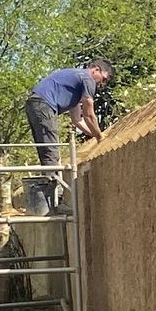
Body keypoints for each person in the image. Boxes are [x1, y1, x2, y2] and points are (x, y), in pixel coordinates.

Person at [21, 59, 112, 213]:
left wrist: (93, 135)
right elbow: (89, 114)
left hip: (35, 104)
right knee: (51, 152)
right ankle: (56, 202)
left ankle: (51, 201)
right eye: (103, 79)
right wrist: (100, 137)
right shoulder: (87, 78)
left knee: (46, 151)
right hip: (44, 105)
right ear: (95, 70)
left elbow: (78, 120)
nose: (101, 84)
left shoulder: (74, 85)